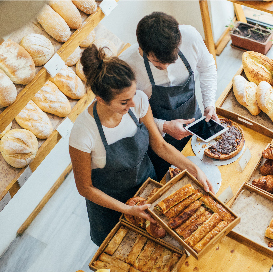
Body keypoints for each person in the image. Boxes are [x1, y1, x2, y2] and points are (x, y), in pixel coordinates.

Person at [69, 45, 213, 246]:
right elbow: (85, 188)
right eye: (123, 102)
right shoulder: (83, 133)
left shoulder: (139, 102)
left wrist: (194, 169)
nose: (133, 104)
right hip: (111, 207)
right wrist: (127, 209)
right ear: (100, 99)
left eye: (133, 94)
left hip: (148, 189)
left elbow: (160, 146)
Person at [119, 12, 219, 181]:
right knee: (170, 182)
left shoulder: (190, 36)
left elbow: (207, 67)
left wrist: (209, 103)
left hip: (194, 125)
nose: (165, 68)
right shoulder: (126, 66)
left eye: (170, 62)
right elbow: (126, 115)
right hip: (158, 141)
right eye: (158, 63)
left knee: (206, 171)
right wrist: (163, 126)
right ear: (141, 50)